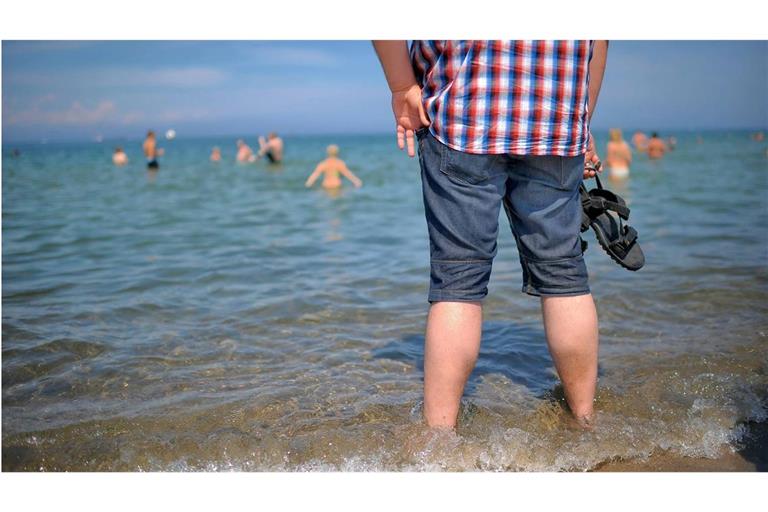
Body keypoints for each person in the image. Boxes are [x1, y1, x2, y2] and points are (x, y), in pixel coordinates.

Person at [374, 40, 608, 430]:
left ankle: (439, 440)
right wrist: (582, 119)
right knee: (564, 274)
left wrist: (401, 87)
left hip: (464, 109)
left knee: (458, 279)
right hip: (557, 114)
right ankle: (584, 420)